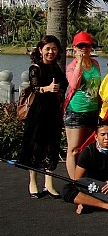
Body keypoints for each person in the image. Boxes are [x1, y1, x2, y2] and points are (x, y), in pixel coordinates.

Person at [20, 35, 67, 198]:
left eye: (54, 49)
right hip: (38, 111)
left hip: (53, 110)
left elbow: (64, 83)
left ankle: (49, 183)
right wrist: (47, 89)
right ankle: (33, 182)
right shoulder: (35, 68)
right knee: (36, 144)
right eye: (47, 49)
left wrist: (59, 89)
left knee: (52, 145)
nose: (51, 52)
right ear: (40, 50)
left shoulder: (56, 68)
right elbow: (34, 87)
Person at [61, 121, 108, 215]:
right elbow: (78, 179)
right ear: (96, 137)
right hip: (92, 187)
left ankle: (87, 203)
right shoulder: (88, 152)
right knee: (66, 190)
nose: (106, 138)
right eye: (102, 134)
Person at [63, 31, 101, 178]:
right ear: (74, 48)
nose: (84, 49)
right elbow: (74, 85)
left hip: (92, 110)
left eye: (87, 46)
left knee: (87, 148)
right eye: (80, 46)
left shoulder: (95, 64)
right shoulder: (71, 66)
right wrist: (79, 63)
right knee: (74, 149)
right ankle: (74, 180)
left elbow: (98, 87)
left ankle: (84, 178)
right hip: (76, 111)